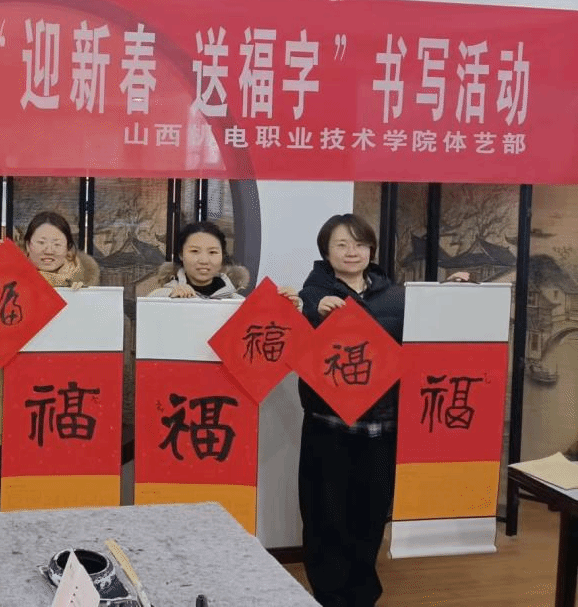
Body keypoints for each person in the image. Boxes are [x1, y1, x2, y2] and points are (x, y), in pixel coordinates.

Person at [296, 213, 468, 607]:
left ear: (371, 250)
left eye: (359, 244)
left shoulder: (395, 295)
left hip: (382, 429)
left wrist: (452, 292)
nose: (351, 251)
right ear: (326, 251)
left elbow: (431, 325)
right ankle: (329, 596)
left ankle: (362, 595)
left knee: (370, 515)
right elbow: (292, 321)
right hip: (328, 429)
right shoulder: (313, 293)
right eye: (341, 244)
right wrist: (312, 308)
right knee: (325, 517)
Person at [0, 211, 100, 506]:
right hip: (5, 401)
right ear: (27, 245)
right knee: (6, 489)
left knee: (52, 491)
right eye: (40, 242)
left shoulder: (87, 290)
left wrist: (83, 301)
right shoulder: (8, 279)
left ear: (69, 249)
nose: (48, 250)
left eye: (56, 243)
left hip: (60, 405)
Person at [147, 220, 302, 309]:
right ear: (181, 254)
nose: (204, 260)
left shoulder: (238, 304)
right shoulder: (162, 295)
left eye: (212, 252)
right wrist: (169, 299)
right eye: (194, 251)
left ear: (222, 256)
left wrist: (290, 306)